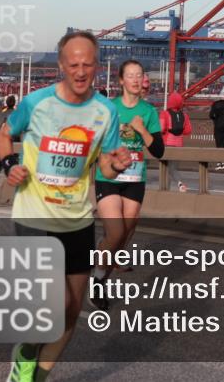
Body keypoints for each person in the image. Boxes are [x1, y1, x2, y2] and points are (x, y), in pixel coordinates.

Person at [0, 30, 130, 382]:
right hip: (35, 214)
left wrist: (115, 165)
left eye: (88, 64)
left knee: (71, 313)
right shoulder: (37, 102)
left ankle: (32, 379)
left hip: (77, 221)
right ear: (61, 65)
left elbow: (104, 163)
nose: (80, 70)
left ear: (97, 67)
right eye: (73, 64)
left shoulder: (105, 111)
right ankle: (26, 350)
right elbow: (3, 134)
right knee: (54, 307)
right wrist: (9, 165)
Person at [91, 59, 164, 309]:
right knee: (117, 232)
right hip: (109, 177)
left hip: (135, 178)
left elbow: (159, 150)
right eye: (130, 75)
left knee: (125, 234)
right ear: (121, 80)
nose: (135, 79)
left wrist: (142, 130)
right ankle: (98, 282)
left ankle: (102, 274)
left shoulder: (149, 112)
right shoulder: (108, 108)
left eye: (139, 75)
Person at [159, 91, 192, 192]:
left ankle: (176, 185)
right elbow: (188, 130)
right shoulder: (185, 115)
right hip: (179, 145)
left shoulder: (164, 114)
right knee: (173, 168)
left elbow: (161, 128)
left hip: (167, 144)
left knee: (166, 168)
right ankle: (172, 187)